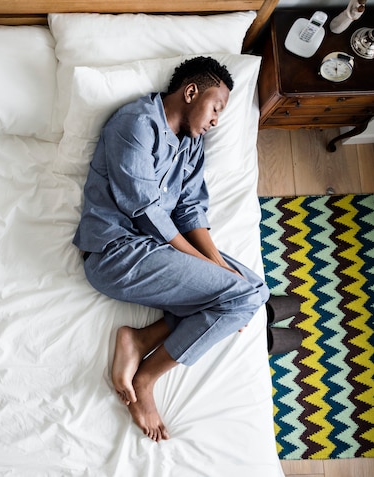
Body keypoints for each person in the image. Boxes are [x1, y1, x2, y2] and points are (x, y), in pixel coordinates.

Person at [73, 56, 270, 442]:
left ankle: (140, 340)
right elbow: (144, 209)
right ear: (191, 91)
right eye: (216, 107)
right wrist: (212, 273)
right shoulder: (135, 123)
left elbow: (190, 209)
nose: (216, 120)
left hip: (155, 251)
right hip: (117, 252)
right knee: (240, 298)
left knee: (255, 291)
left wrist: (219, 269)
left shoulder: (192, 146)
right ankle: (145, 378)